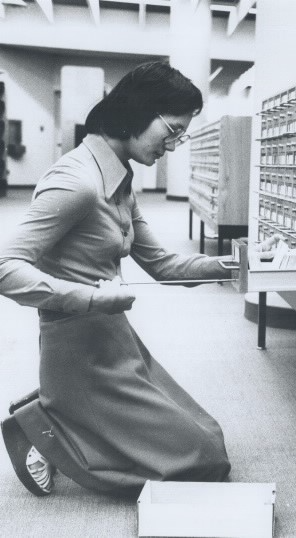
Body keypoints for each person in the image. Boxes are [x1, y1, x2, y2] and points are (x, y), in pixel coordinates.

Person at [0, 61, 236, 497]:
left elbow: (164, 265)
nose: (176, 144)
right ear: (139, 111)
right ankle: (42, 425)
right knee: (200, 462)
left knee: (209, 436)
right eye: (173, 130)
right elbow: (4, 268)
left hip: (116, 340)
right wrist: (90, 299)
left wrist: (237, 263)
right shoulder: (78, 182)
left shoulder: (121, 179)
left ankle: (64, 415)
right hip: (76, 350)